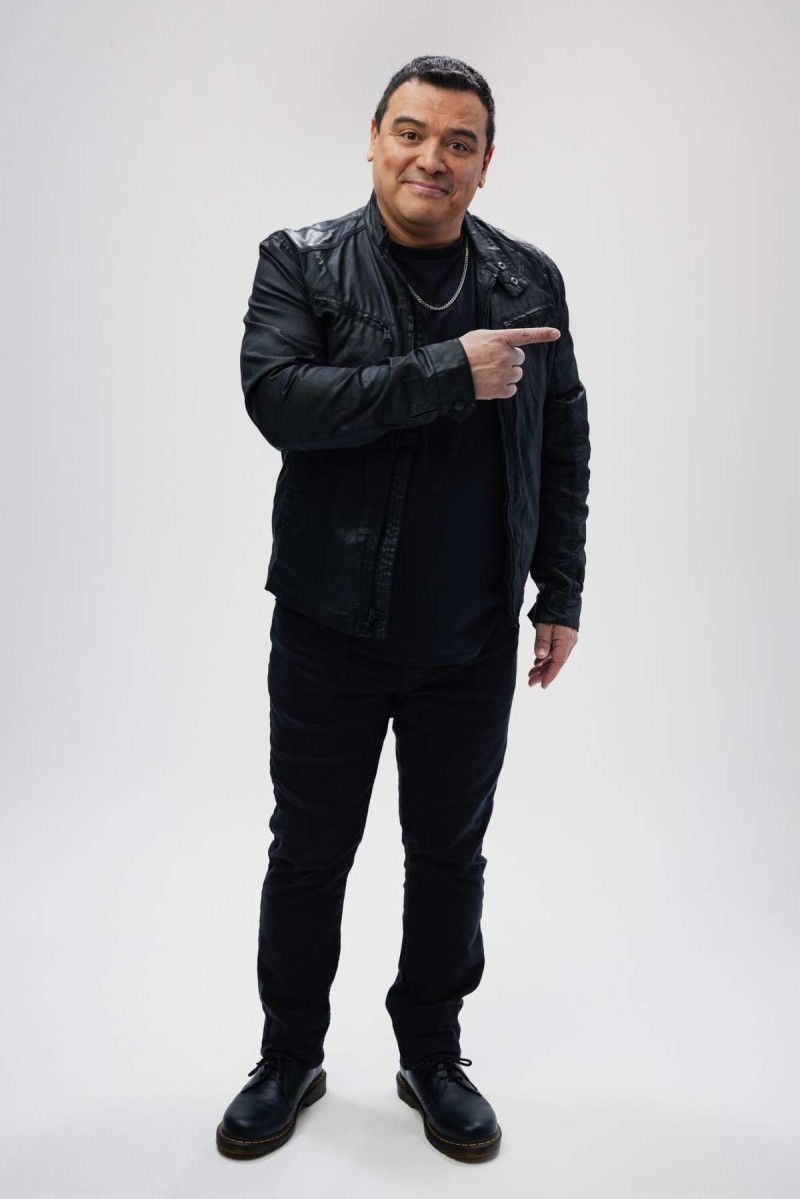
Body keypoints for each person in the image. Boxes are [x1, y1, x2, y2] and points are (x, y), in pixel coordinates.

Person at [216, 54, 591, 1164]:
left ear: (485, 163)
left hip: (470, 634)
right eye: (412, 132)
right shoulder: (301, 261)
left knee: (449, 855)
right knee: (308, 850)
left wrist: (560, 588)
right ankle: (288, 1054)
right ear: (374, 140)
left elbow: (563, 437)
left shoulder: (528, 281)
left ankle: (432, 1053)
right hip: (329, 627)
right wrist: (444, 372)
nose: (433, 157)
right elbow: (280, 399)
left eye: (459, 141)